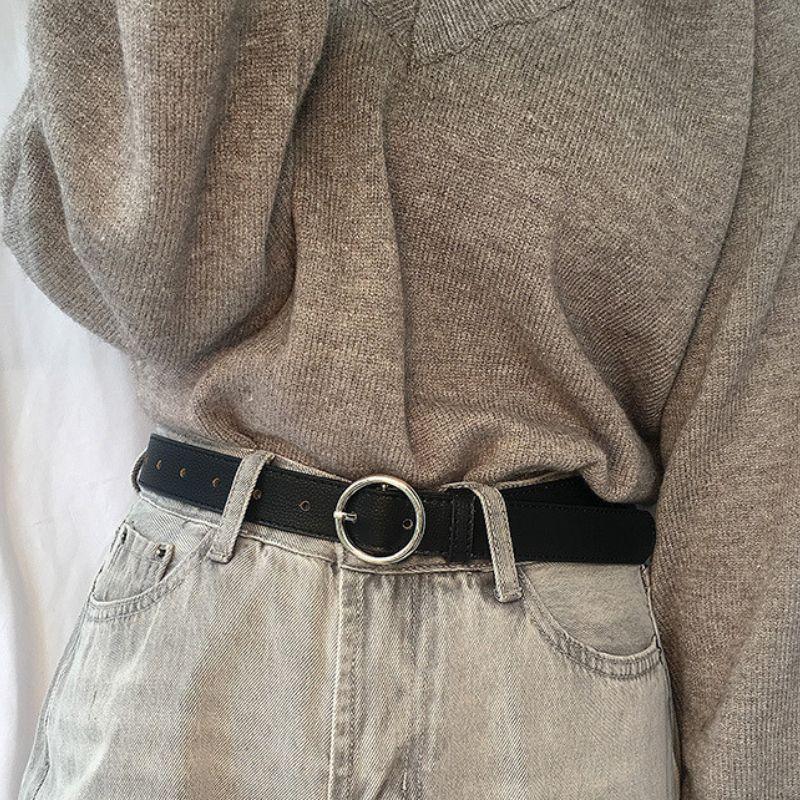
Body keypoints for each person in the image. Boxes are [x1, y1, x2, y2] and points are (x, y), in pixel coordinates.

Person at [1, 0, 797, 797]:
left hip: (548, 703)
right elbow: (126, 261)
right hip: (204, 649)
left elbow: (756, 464)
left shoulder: (741, 28)